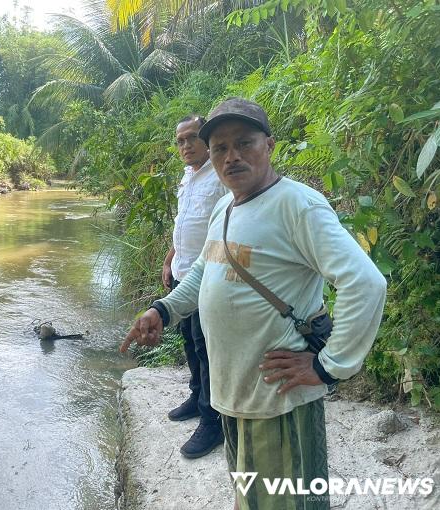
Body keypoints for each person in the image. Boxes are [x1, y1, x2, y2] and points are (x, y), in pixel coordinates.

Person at [120, 98, 387, 510]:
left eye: (245, 143)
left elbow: (365, 282)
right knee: (252, 497)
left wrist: (328, 366)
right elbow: (205, 272)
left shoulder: (298, 205)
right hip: (235, 393)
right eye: (220, 148)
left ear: (270, 146)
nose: (232, 157)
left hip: (277, 398)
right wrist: (163, 309)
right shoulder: (225, 206)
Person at [162, 114, 228, 459]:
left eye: (191, 138)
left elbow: (225, 229)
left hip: (206, 277)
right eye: (180, 141)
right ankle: (196, 394)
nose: (185, 146)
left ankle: (212, 419)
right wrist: (170, 259)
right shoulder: (188, 176)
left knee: (206, 347)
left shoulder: (220, 177)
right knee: (189, 339)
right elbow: (184, 222)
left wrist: (212, 274)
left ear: (206, 140)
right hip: (181, 271)